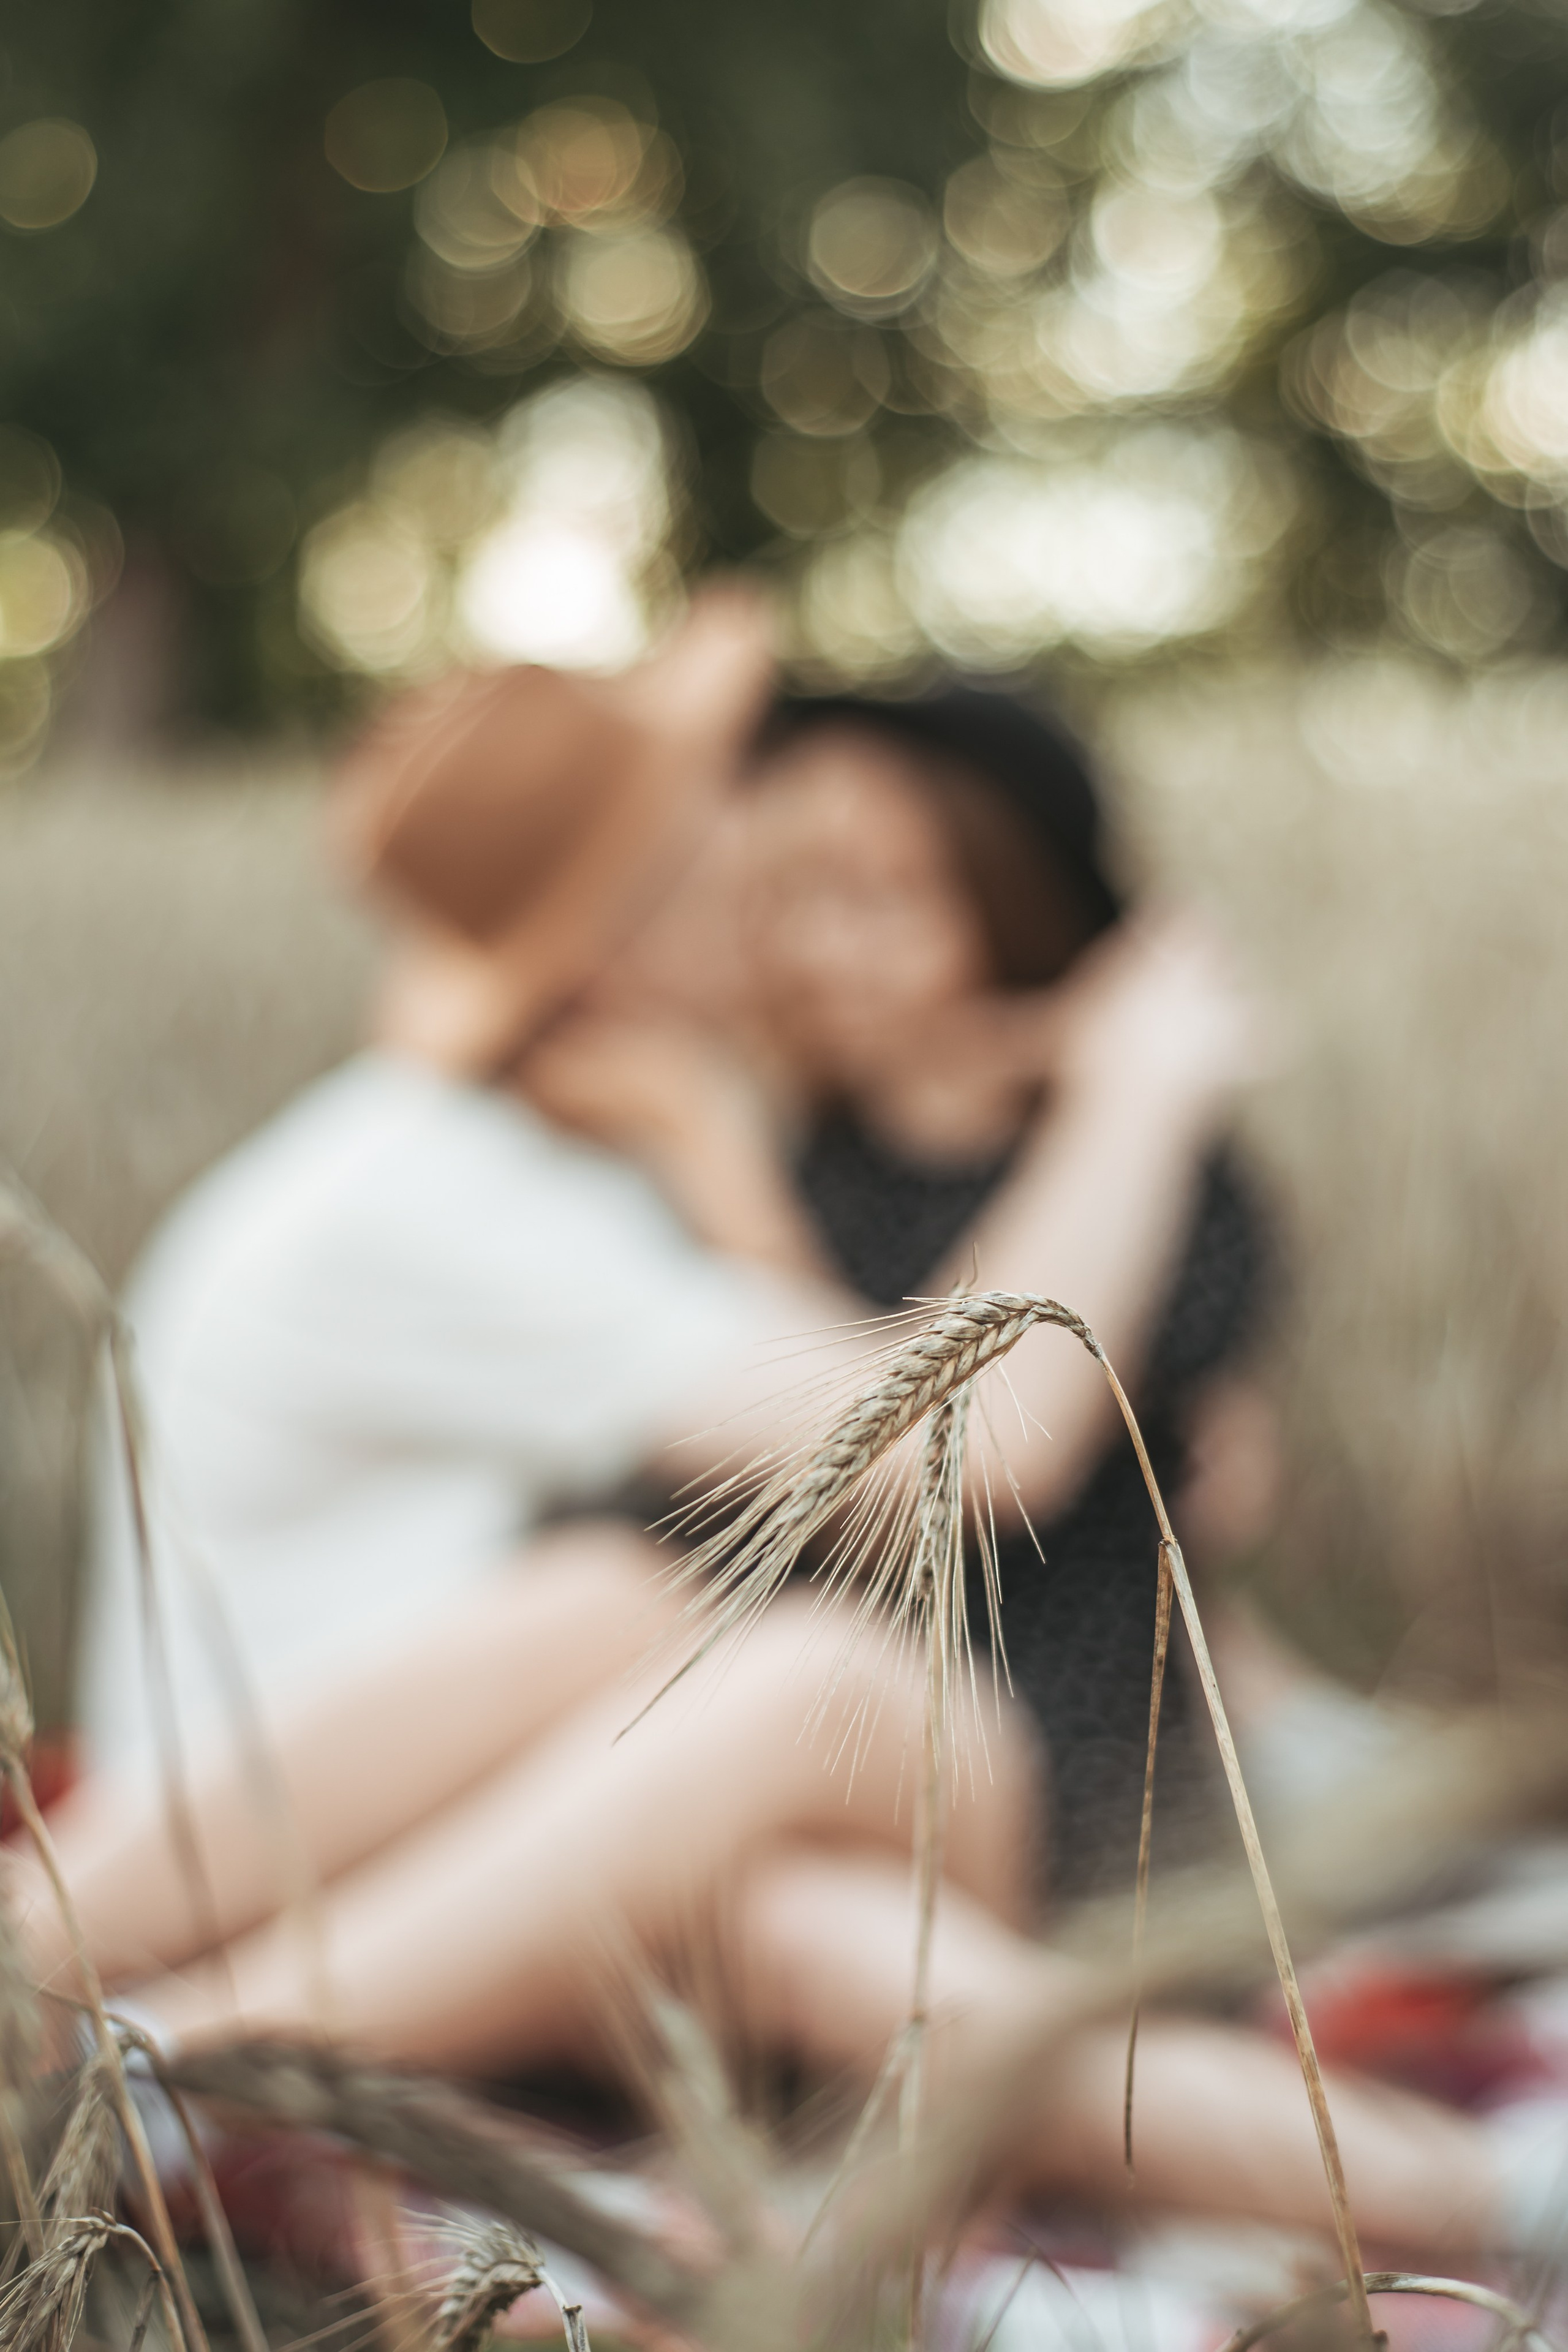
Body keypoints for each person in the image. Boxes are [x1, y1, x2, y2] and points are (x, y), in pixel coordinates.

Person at [15, 605, 1520, 2265]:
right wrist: (1127, 1096)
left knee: (668, 1649)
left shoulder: (553, 1153)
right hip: (386, 1839)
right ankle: (168, 2059)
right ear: (625, 922)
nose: (764, 862)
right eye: (717, 835)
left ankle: (132, 2047)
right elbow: (968, 1443)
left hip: (539, 1808)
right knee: (788, 1742)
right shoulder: (465, 1202)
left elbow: (967, 1441)